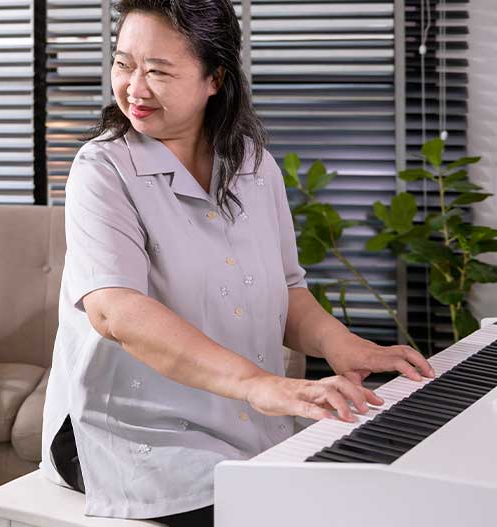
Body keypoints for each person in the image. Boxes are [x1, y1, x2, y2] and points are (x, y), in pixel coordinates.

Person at [39, 1, 436, 526]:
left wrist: (349, 347)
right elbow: (116, 312)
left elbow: (288, 292)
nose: (134, 86)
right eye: (123, 63)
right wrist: (260, 384)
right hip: (126, 433)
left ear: (214, 78)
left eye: (158, 70)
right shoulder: (102, 170)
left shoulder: (254, 165)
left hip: (241, 420)